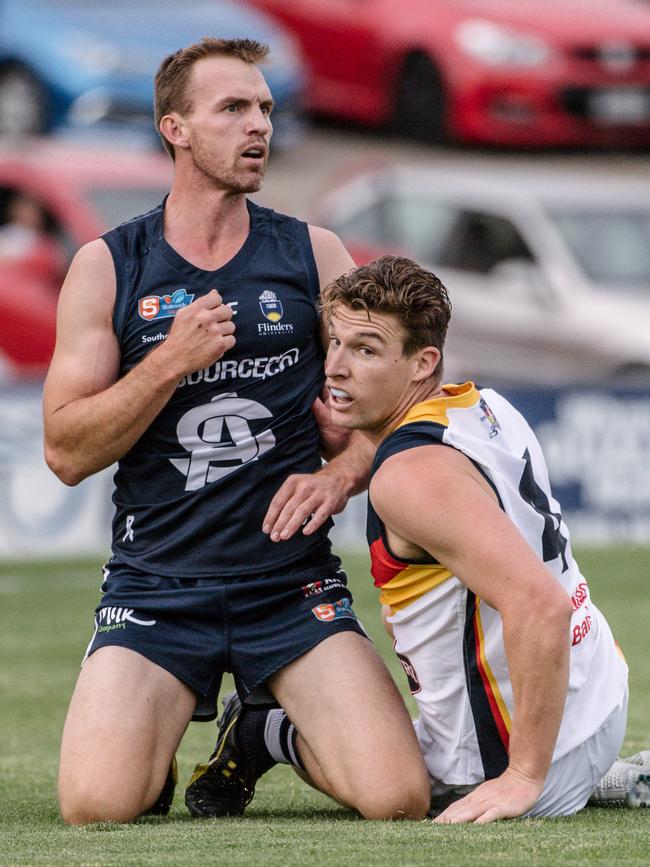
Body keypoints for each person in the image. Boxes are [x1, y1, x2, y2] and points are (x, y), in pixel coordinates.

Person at [42, 40, 430, 825]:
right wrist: (167, 364)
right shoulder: (110, 265)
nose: (259, 127)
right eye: (234, 109)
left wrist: (340, 473)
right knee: (96, 807)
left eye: (266, 110)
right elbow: (65, 451)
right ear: (175, 128)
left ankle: (266, 731)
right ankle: (148, 745)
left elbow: (394, 413)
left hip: (289, 587)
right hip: (156, 587)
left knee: (397, 797)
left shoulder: (313, 253)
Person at [314, 254, 635, 821]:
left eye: (365, 349)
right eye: (335, 341)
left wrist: (522, 776)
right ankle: (593, 774)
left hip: (513, 753)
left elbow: (541, 607)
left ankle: (266, 729)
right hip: (598, 699)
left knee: (386, 787)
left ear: (422, 363)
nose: (336, 366)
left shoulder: (408, 476)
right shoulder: (486, 404)